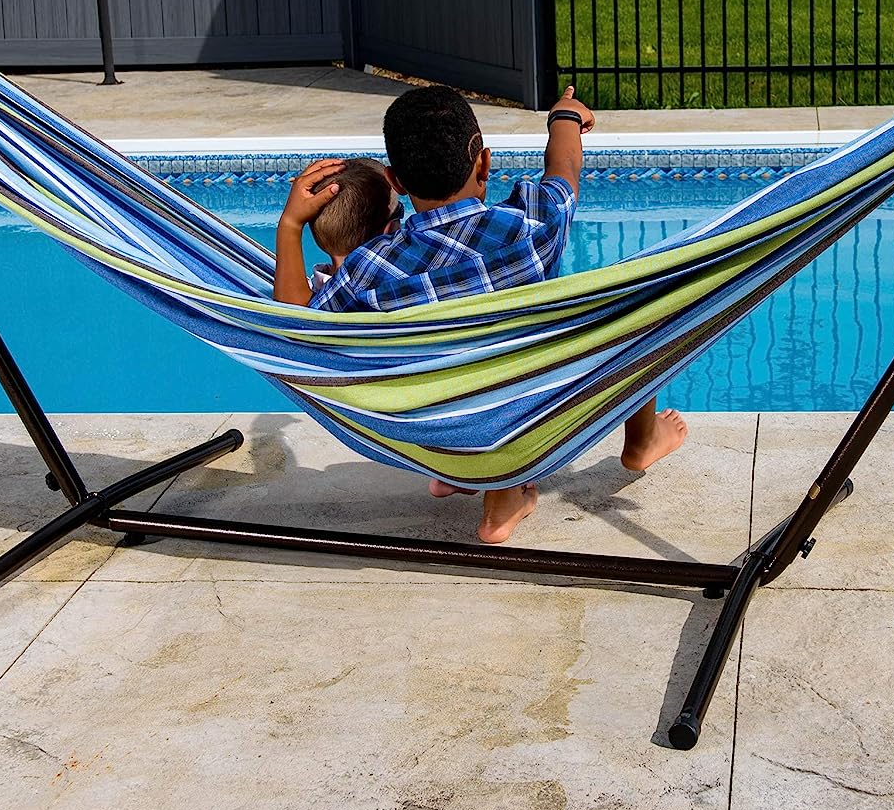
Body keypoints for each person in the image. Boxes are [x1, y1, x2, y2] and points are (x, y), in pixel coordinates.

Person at [276, 84, 687, 544]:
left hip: (432, 439)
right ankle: (640, 441)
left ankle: (482, 485)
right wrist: (565, 118)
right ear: (484, 163)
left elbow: (296, 330)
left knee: (456, 372)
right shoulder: (532, 227)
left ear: (396, 181)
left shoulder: (367, 269)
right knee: (638, 310)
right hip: (521, 425)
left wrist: (290, 226)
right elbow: (564, 169)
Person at [272, 157, 401, 305]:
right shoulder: (391, 290)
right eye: (399, 211)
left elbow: (293, 310)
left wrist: (291, 223)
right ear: (390, 230)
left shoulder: (307, 297)